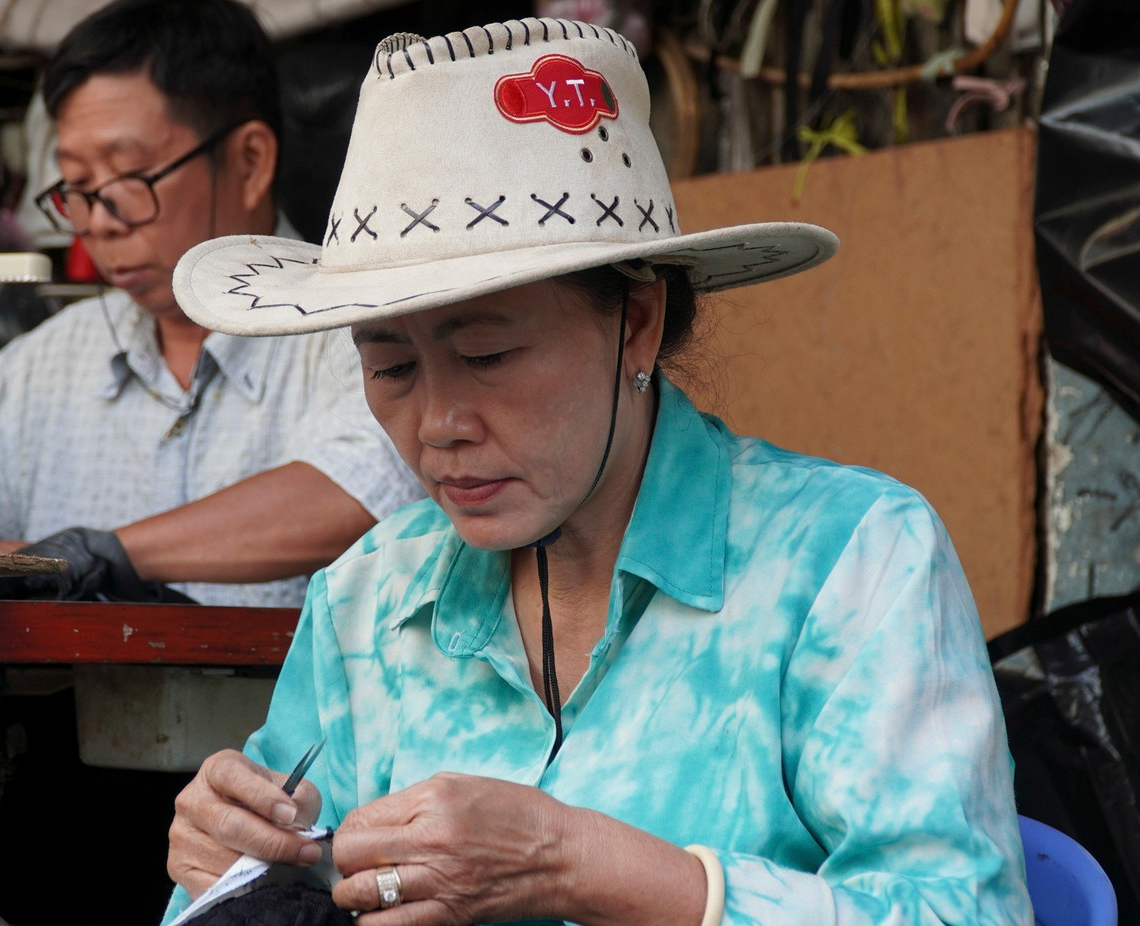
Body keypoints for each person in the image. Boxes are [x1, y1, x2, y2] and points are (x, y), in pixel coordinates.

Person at [162, 18, 1032, 926]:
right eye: (390, 368)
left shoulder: (852, 565)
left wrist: (580, 861)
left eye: (489, 355)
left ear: (639, 323)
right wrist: (228, 866)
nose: (438, 425)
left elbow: (963, 913)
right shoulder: (368, 599)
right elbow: (267, 889)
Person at [0, 0, 418, 606]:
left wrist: (84, 556)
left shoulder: (358, 322)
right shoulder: (65, 353)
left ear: (250, 161)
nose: (99, 223)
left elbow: (365, 486)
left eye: (128, 179)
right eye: (79, 189)